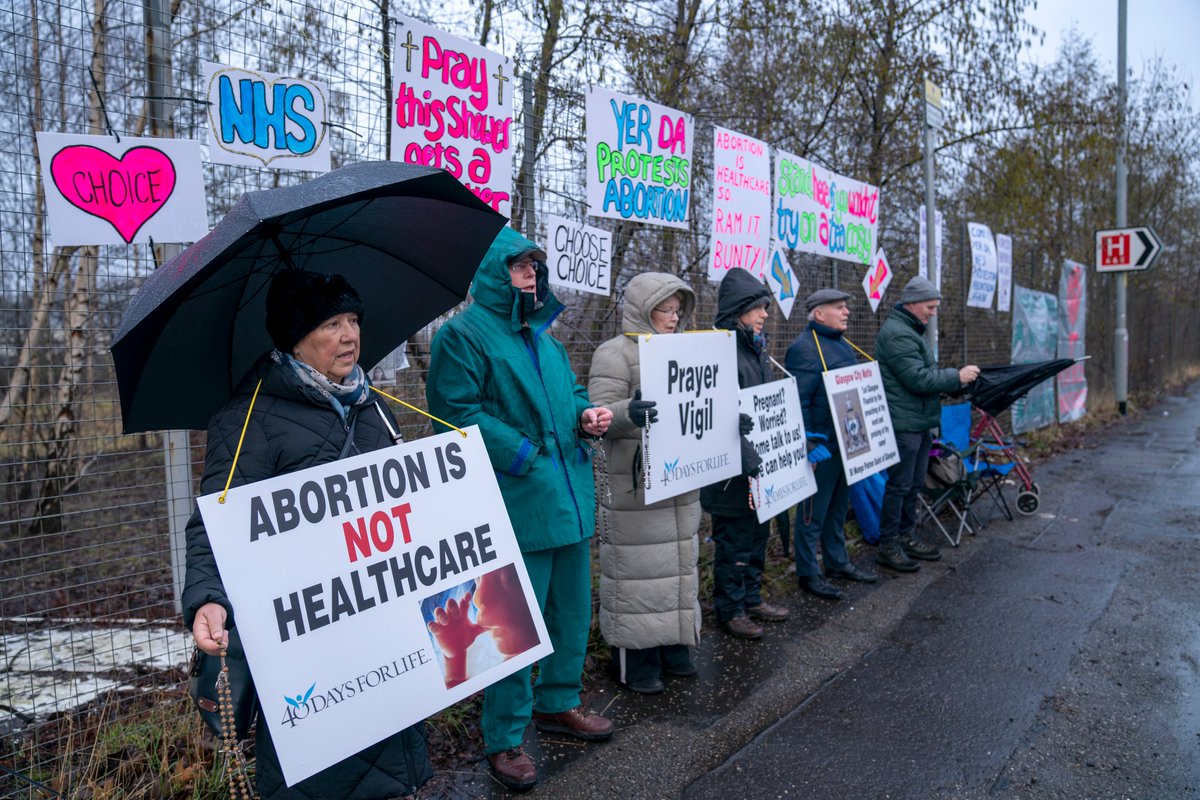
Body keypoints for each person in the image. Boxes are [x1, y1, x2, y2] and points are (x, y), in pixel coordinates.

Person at [184, 269, 430, 800]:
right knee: (323, 776)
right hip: (307, 644)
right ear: (294, 337)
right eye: (331, 323)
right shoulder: (247, 419)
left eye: (354, 320)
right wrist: (207, 599)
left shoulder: (377, 409)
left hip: (385, 630)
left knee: (391, 764)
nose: (350, 336)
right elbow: (213, 524)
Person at [425, 226, 614, 792]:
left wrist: (585, 416)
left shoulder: (546, 338)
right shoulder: (461, 336)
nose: (532, 273)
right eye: (519, 265)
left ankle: (558, 702)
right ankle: (504, 738)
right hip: (514, 499)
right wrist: (524, 452)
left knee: (571, 613)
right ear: (492, 272)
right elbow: (454, 413)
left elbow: (571, 393)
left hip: (568, 496)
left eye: (535, 264)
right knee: (509, 624)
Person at [588, 272, 701, 695]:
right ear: (642, 308)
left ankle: (674, 646)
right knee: (638, 571)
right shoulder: (614, 354)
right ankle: (636, 660)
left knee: (676, 564)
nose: (673, 318)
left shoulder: (688, 351)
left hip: (682, 478)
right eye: (664, 309)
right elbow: (598, 416)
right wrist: (628, 413)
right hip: (635, 484)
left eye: (677, 310)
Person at [701, 268, 790, 640]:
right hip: (728, 476)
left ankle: (751, 597)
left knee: (756, 535)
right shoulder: (717, 352)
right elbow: (713, 414)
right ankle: (730, 609)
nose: (765, 315)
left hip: (756, 469)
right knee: (734, 542)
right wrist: (743, 452)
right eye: (758, 308)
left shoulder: (756, 350)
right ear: (739, 310)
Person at [874, 276, 980, 572]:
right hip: (904, 423)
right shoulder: (898, 334)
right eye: (930, 307)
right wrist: (955, 377)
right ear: (913, 303)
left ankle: (907, 536)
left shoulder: (912, 331)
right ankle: (889, 544)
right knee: (899, 485)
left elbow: (924, 374)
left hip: (919, 421)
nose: (932, 312)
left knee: (913, 483)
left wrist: (949, 382)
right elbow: (917, 378)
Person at [785, 289, 879, 601]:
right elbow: (797, 400)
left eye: (845, 307)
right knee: (813, 512)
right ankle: (808, 572)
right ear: (818, 313)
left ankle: (837, 562)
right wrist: (809, 442)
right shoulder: (805, 349)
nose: (846, 312)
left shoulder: (842, 345)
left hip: (848, 443)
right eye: (838, 308)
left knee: (838, 509)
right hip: (822, 446)